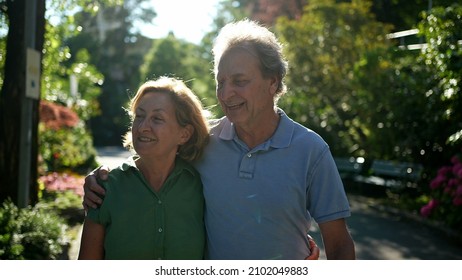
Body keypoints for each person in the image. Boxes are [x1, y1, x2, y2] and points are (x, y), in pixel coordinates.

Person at [84, 19, 354, 259]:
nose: (225, 94)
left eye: (239, 81)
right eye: (221, 82)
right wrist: (102, 176)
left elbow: (339, 244)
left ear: (273, 82)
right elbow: (152, 155)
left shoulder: (311, 150)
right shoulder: (203, 140)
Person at [78, 77, 210, 259]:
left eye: (157, 118)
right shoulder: (105, 187)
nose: (142, 127)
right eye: (139, 116)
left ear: (184, 134)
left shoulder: (201, 185)